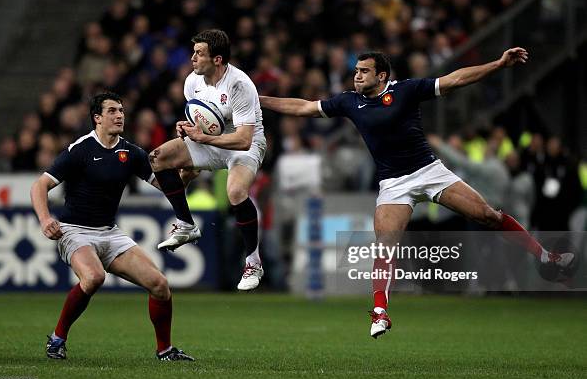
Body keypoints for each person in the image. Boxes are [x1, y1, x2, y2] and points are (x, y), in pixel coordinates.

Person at [259, 48, 575, 339]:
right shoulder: (348, 102)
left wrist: (498, 64)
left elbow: (455, 80)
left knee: (488, 216)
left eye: (364, 71)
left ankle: (546, 257)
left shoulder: (405, 90)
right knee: (384, 245)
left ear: (381, 76)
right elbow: (301, 107)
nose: (356, 76)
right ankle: (380, 313)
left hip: (429, 171)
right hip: (393, 184)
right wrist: (259, 99)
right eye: (356, 70)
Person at [30, 92, 194, 361]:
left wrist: (186, 175)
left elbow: (168, 187)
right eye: (112, 111)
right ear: (97, 118)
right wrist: (45, 219)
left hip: (110, 233)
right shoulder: (81, 149)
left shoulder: (131, 152)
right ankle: (57, 339)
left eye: (121, 110)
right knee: (94, 277)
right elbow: (40, 185)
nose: (120, 115)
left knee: (160, 285)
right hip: (74, 230)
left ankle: (165, 350)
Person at [149, 29, 267, 291]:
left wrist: (202, 138)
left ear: (217, 59)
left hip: (244, 145)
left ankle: (253, 261)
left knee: (235, 191)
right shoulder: (192, 81)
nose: (192, 58)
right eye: (194, 52)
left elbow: (244, 139)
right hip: (210, 141)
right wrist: (186, 128)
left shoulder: (239, 85)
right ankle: (185, 224)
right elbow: (202, 120)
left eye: (199, 53)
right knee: (158, 158)